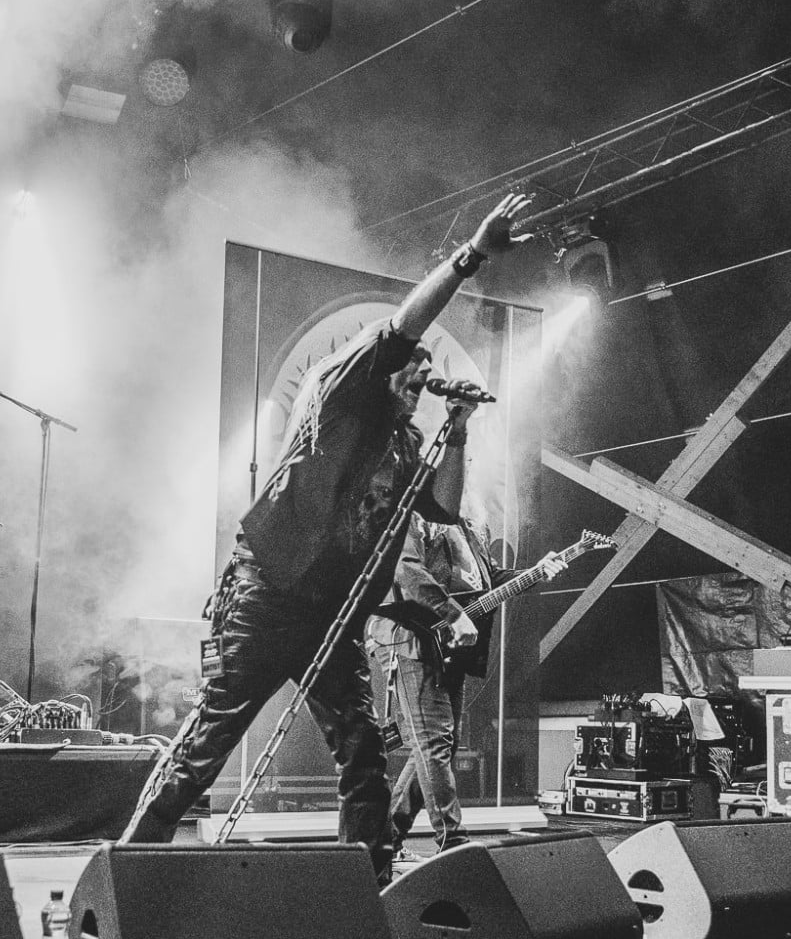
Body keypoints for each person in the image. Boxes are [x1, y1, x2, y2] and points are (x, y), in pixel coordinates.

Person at [122, 190, 535, 881]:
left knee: (362, 748)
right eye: (415, 365)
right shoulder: (347, 385)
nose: (424, 375)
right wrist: (471, 257)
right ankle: (129, 867)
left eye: (427, 370)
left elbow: (441, 507)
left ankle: (365, 885)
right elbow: (403, 326)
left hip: (334, 614)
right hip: (269, 593)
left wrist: (457, 431)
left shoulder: (405, 440)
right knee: (209, 741)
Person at [367, 518, 570, 855]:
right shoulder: (411, 514)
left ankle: (385, 841)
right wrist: (453, 614)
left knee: (439, 746)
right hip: (410, 640)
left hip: (447, 647)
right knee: (433, 744)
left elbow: (487, 580)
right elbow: (406, 569)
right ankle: (453, 842)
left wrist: (534, 573)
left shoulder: (467, 527)